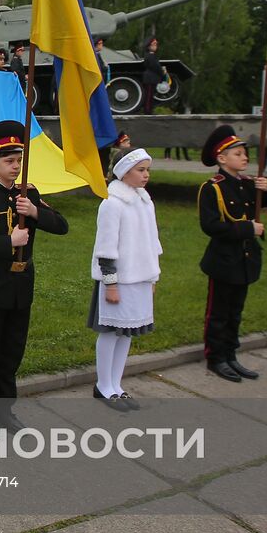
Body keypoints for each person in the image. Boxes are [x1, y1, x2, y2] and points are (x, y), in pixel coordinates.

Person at [0, 120, 69, 430]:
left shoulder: (29, 194)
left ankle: (6, 412)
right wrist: (8, 242)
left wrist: (35, 212)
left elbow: (61, 226)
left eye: (19, 160)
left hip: (21, 287)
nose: (16, 166)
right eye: (8, 161)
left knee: (12, 353)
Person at [197, 125, 267, 383]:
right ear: (222, 158)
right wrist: (247, 228)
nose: (245, 158)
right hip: (224, 260)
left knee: (236, 312)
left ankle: (231, 354)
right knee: (218, 312)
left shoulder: (249, 185)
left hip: (246, 260)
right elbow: (211, 226)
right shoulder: (212, 188)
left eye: (245, 154)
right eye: (237, 154)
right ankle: (216, 357)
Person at [89, 149, 161, 411]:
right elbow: (105, 247)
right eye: (140, 170)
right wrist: (110, 283)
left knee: (127, 333)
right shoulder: (112, 203)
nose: (146, 175)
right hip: (119, 281)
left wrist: (153, 277)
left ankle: (116, 384)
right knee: (110, 333)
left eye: (147, 170)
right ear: (124, 171)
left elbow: (153, 242)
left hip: (140, 279)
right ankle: (103, 385)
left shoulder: (144, 201)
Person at [139, 37, 165, 115]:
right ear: (149, 46)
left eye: (156, 44)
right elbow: (155, 67)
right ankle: (147, 110)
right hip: (150, 78)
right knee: (149, 95)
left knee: (150, 95)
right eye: (154, 44)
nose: (155, 46)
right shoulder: (150, 56)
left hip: (152, 78)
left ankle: (149, 109)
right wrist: (162, 72)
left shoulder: (151, 56)